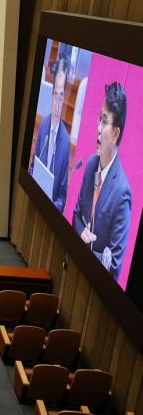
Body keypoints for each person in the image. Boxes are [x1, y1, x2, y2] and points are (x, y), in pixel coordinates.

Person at [72, 82, 131, 280]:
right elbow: (77, 214)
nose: (98, 128)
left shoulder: (122, 191)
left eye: (104, 122)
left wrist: (88, 249)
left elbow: (114, 263)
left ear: (115, 134)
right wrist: (82, 236)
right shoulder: (90, 165)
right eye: (100, 119)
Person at [29, 57, 71, 212]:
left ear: (64, 98)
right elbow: (33, 166)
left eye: (61, 96)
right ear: (51, 94)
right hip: (35, 197)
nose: (57, 103)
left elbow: (62, 197)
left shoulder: (65, 141)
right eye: (55, 95)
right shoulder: (44, 125)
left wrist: (53, 208)